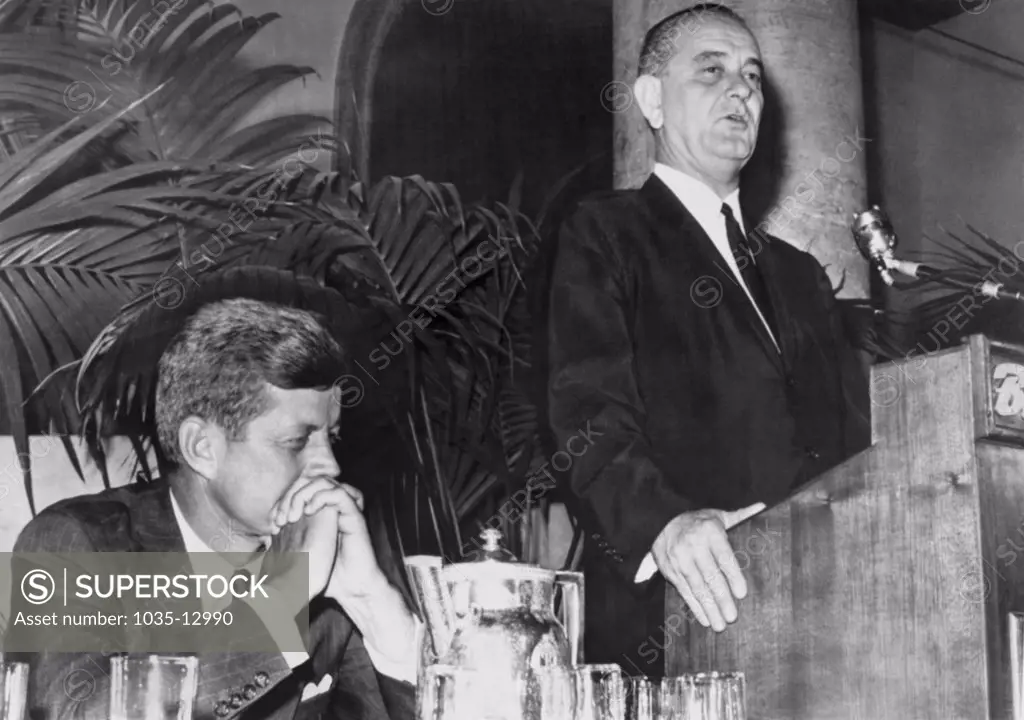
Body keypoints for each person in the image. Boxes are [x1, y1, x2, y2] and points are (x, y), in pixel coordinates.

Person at [546, 3, 870, 677]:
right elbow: (588, 412)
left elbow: (847, 440)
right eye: (712, 70)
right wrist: (663, 524)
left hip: (824, 616)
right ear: (651, 100)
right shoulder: (606, 233)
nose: (741, 90)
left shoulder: (800, 273)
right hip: (679, 612)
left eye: (752, 76)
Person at [7, 298, 418, 720]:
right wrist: (281, 598)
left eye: (332, 438)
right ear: (202, 448)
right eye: (297, 441)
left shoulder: (330, 545)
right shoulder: (75, 544)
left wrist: (372, 601)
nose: (329, 465)